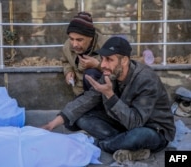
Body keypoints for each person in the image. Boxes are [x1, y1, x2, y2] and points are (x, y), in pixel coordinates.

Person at [42, 36, 176, 164]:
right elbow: (87, 100)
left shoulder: (146, 79)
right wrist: (52, 124)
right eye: (102, 59)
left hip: (152, 128)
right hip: (121, 123)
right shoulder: (110, 73)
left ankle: (101, 144)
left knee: (137, 136)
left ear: (123, 60)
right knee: (81, 118)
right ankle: (125, 145)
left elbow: (136, 122)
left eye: (109, 60)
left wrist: (110, 95)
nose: (103, 65)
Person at [62, 12, 107, 96]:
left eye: (79, 40)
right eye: (72, 39)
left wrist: (97, 65)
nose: (74, 44)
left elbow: (116, 73)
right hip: (79, 93)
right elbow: (65, 61)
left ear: (90, 37)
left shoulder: (105, 46)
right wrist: (68, 71)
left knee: (91, 73)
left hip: (102, 95)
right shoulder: (67, 46)